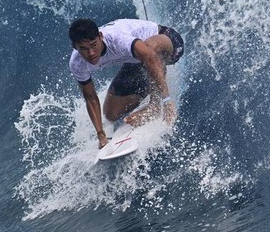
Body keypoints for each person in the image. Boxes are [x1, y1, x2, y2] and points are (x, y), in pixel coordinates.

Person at [68, 18, 184, 148]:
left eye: (94, 45)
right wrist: (101, 135)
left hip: (167, 40)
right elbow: (90, 98)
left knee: (149, 50)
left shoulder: (117, 39)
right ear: (74, 47)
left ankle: (154, 105)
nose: (91, 53)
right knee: (111, 113)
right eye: (83, 48)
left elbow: (150, 56)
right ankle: (149, 87)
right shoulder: (77, 63)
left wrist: (166, 99)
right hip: (136, 59)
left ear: (100, 37)